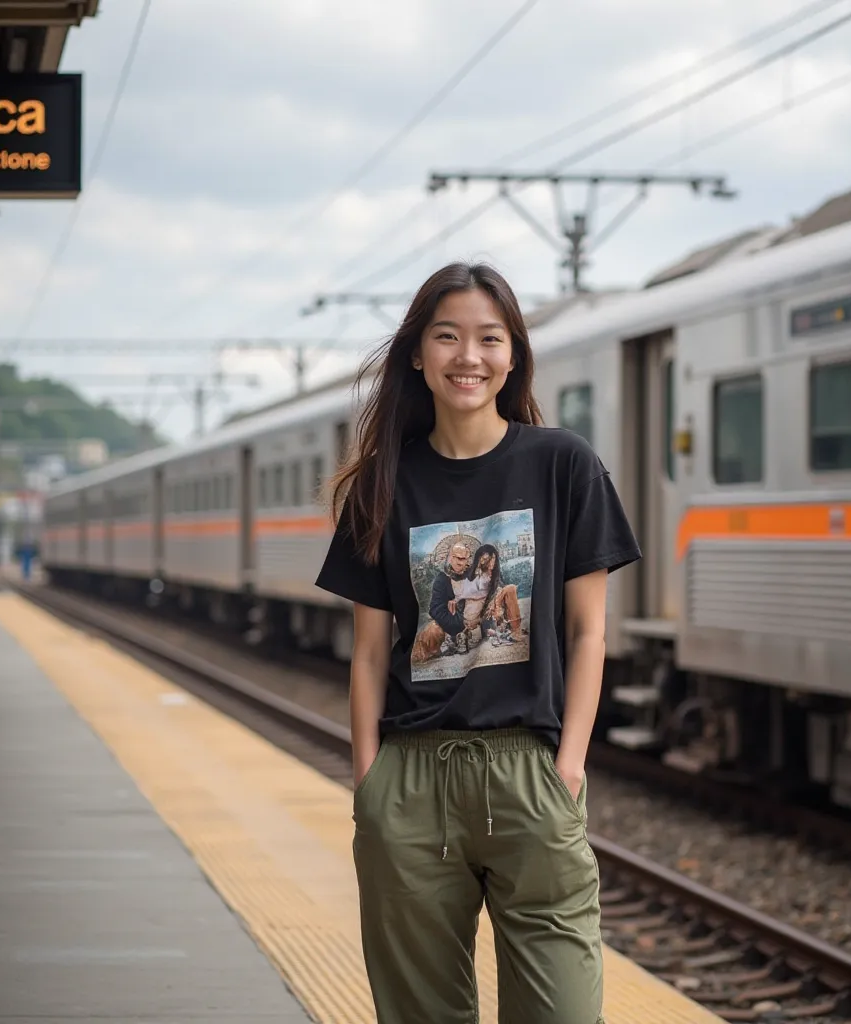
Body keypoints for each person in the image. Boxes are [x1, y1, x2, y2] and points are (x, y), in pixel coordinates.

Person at [315, 261, 640, 1024]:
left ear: (514, 355)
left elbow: (590, 630)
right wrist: (371, 783)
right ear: (418, 356)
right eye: (448, 336)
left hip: (530, 773)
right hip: (413, 783)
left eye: (490, 338)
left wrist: (569, 764)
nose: (470, 356)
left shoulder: (562, 463)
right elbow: (369, 651)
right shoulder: (382, 483)